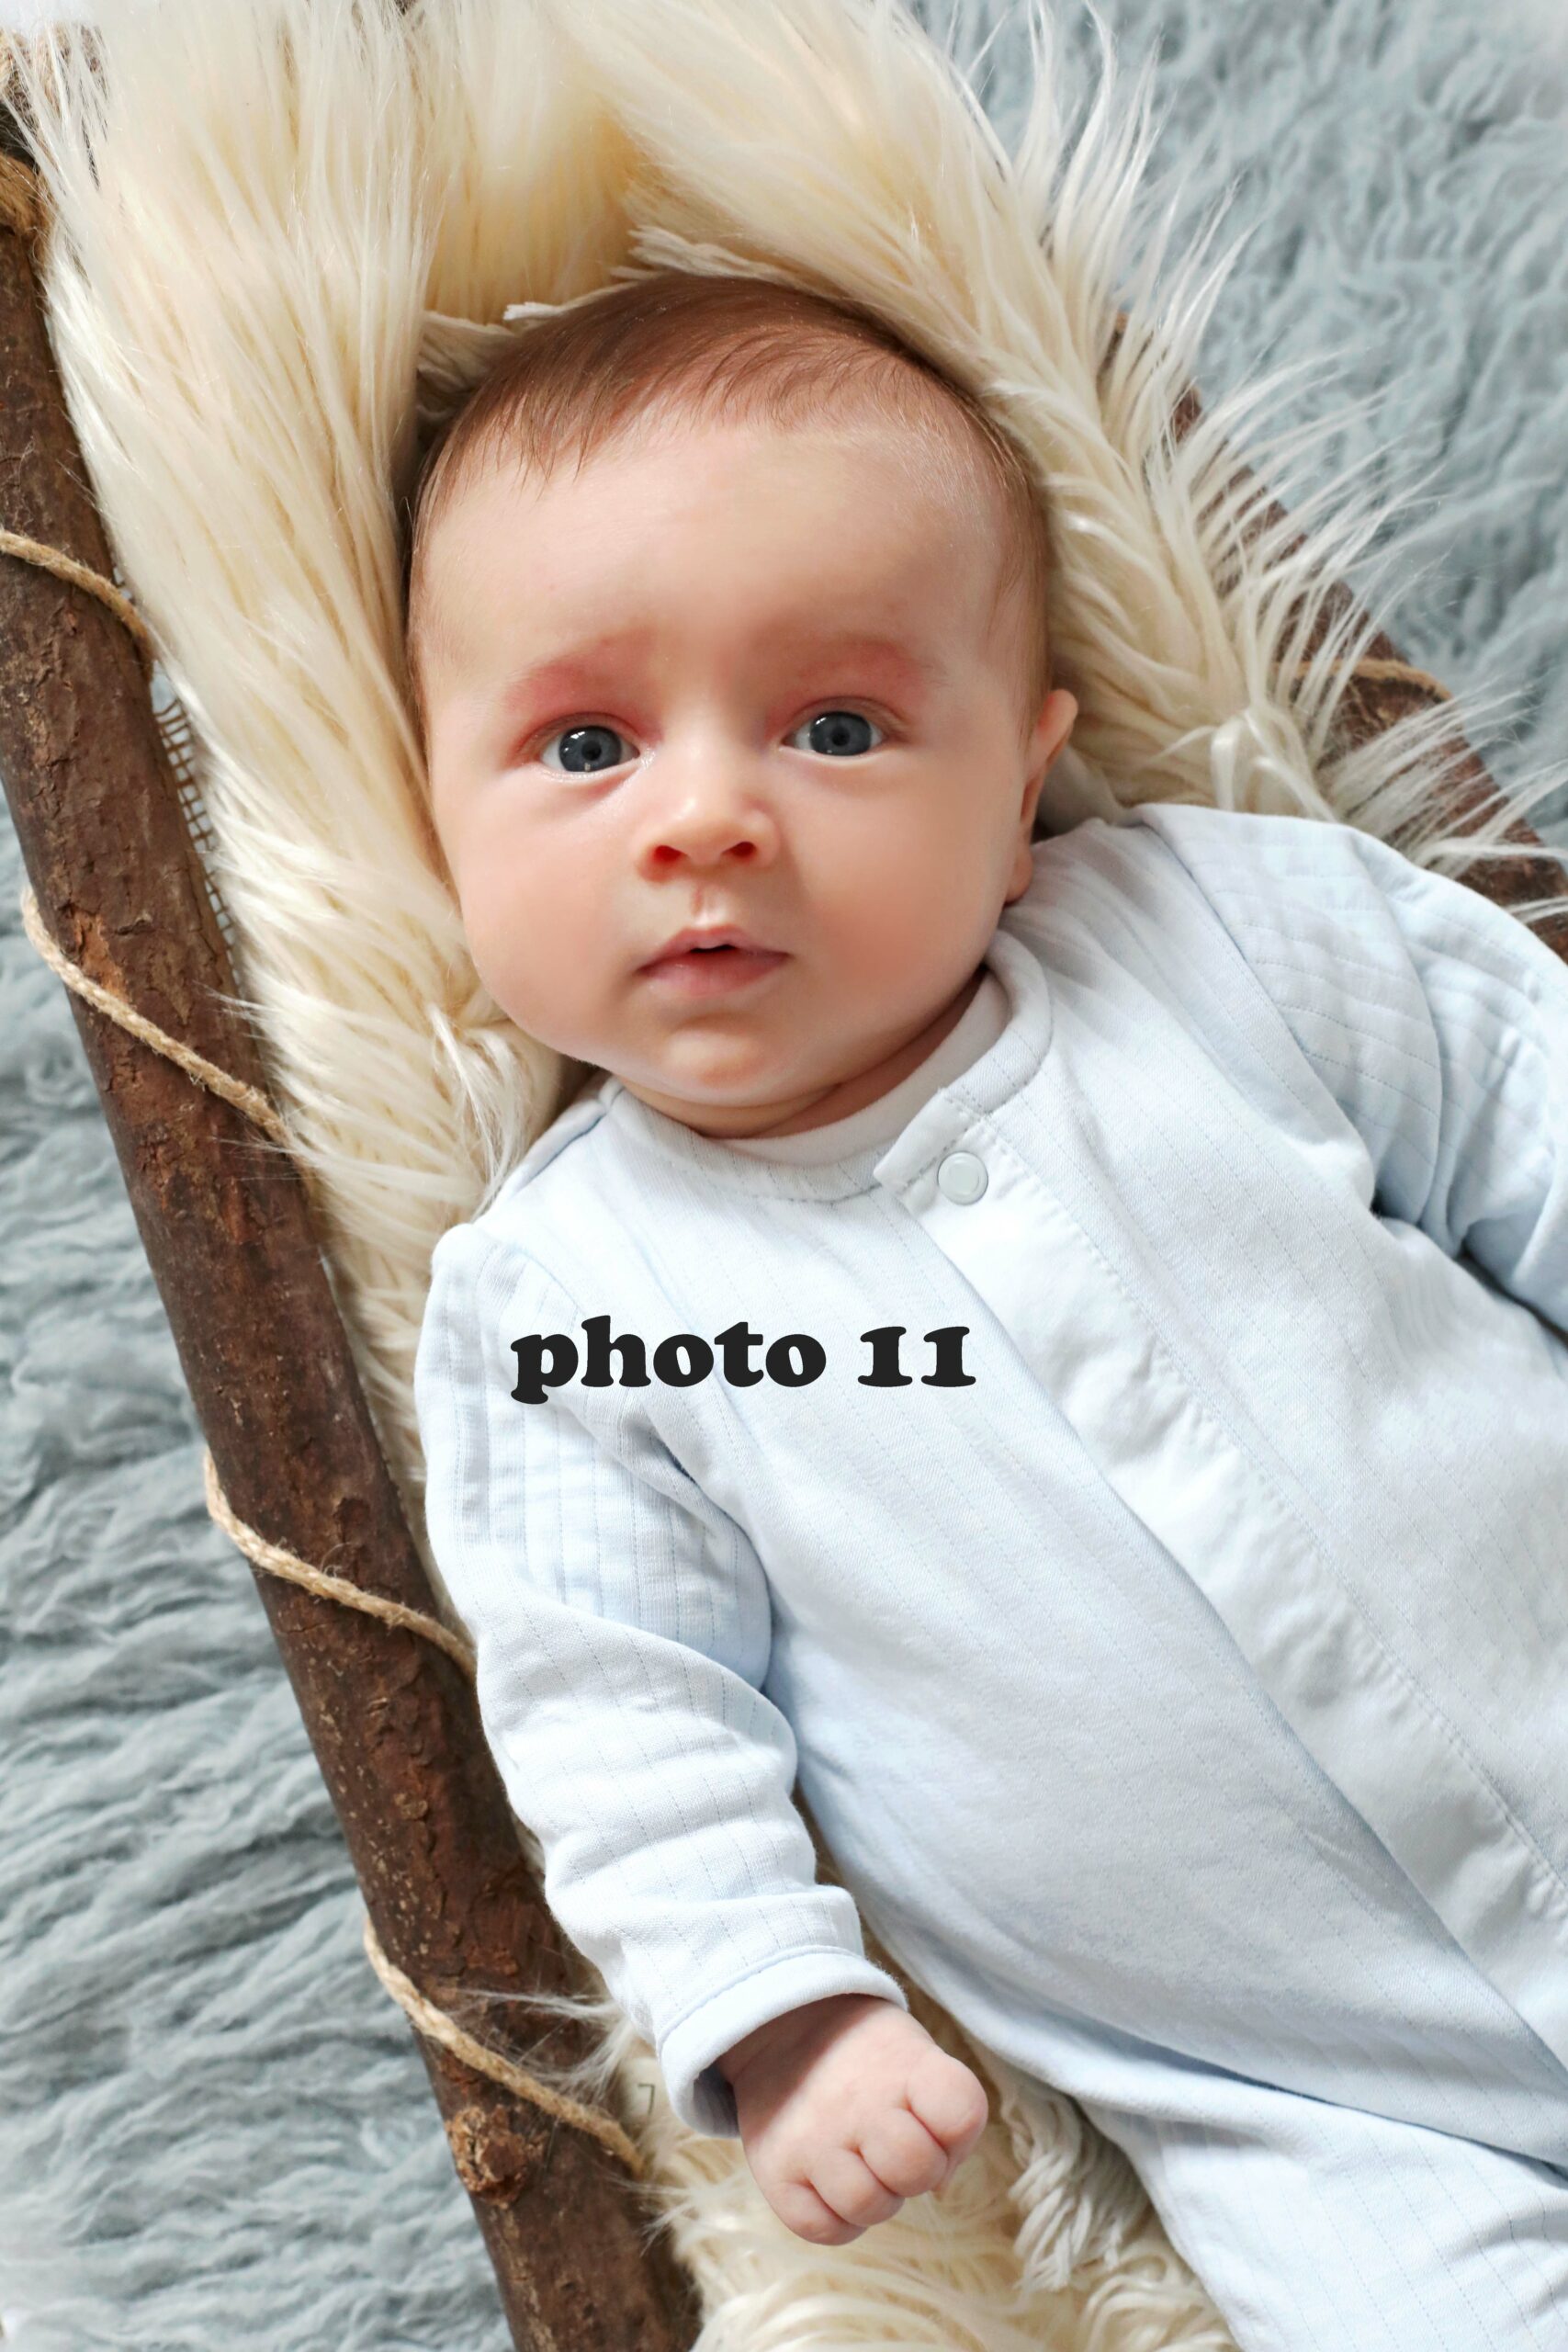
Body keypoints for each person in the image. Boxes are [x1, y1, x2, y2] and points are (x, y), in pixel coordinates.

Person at [409, 267, 1568, 2346]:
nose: (704, 816)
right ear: (437, 816)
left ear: (1022, 787)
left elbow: (1525, 1104)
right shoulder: (573, 1305)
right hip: (1323, 2116)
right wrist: (785, 2013)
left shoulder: (1222, 939)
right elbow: (618, 1700)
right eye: (584, 746)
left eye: (837, 727)